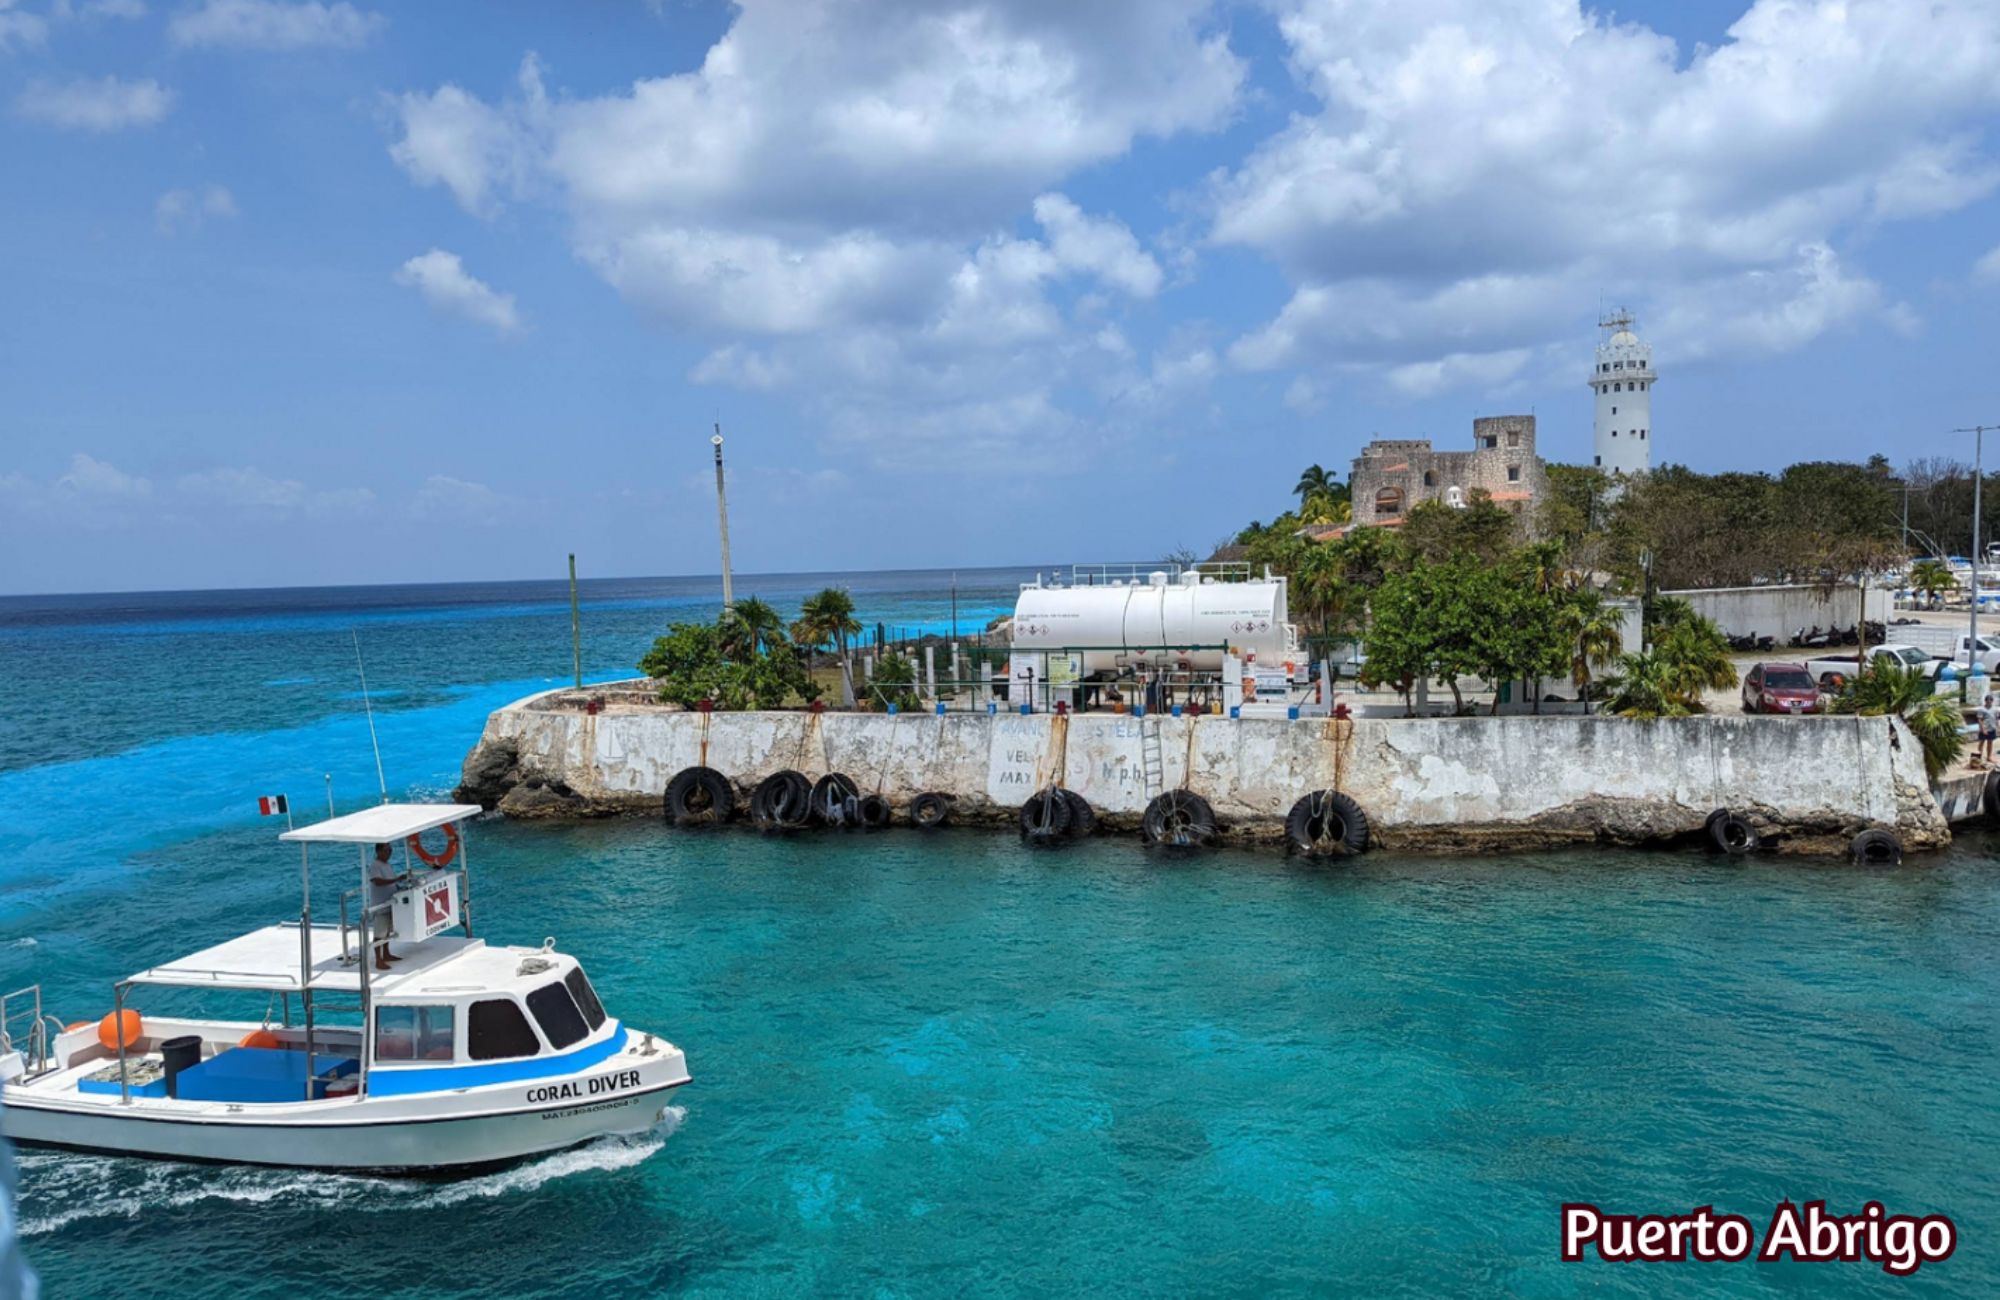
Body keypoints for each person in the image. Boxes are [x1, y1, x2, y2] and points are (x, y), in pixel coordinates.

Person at [368, 842, 402, 971]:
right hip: (380, 905)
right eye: (387, 850)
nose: (390, 852)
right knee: (379, 934)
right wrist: (395, 880)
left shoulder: (387, 865)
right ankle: (378, 959)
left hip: (389, 903)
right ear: (379, 851)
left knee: (387, 931)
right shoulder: (375, 866)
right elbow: (377, 881)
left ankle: (386, 953)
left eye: (390, 850)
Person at [1979, 695, 1997, 768]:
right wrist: (1983, 729)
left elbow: (1996, 719)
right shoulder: (1982, 709)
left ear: (1992, 701)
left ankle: (1989, 757)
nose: (1989, 702)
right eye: (1988, 700)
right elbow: (1980, 720)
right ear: (1985, 701)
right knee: (1982, 742)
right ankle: (1979, 756)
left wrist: (1998, 728)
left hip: (1992, 728)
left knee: (1990, 743)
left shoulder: (1995, 709)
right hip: (1984, 728)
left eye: (1990, 700)